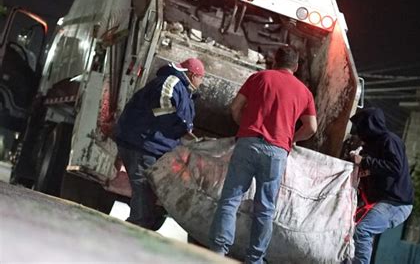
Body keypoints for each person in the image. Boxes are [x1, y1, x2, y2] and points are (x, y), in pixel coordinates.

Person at [208, 46, 318, 264]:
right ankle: (255, 259)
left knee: (230, 199)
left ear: (274, 61)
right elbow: (312, 127)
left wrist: (245, 127)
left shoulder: (259, 77)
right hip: (276, 152)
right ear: (295, 67)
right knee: (265, 208)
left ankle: (218, 253)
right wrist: (291, 139)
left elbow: (235, 107)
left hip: (248, 144)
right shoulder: (304, 92)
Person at [114, 57, 205, 230]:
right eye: (201, 78)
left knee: (150, 189)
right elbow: (163, 108)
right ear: (193, 75)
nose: (202, 82)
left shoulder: (186, 92)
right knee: (143, 186)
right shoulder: (172, 82)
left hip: (151, 145)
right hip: (143, 143)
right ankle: (136, 227)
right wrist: (181, 130)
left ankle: (141, 225)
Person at [349, 107, 414, 264]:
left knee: (362, 230)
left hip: (396, 203)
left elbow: (395, 168)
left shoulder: (389, 140)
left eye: (361, 127)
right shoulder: (371, 146)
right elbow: (377, 170)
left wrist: (364, 161)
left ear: (369, 125)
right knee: (349, 228)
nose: (358, 132)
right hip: (382, 201)